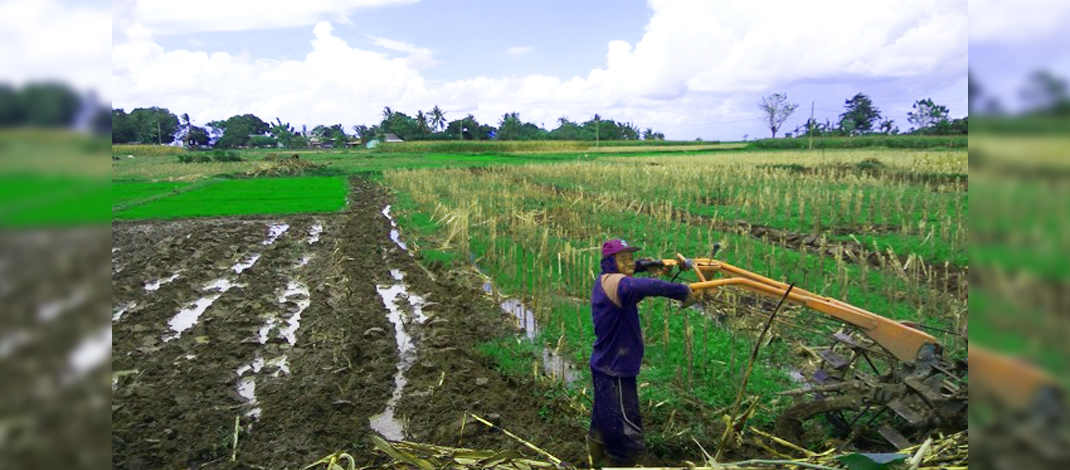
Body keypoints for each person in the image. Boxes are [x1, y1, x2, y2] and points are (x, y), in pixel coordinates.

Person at [587, 238, 696, 466]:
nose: (629, 263)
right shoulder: (618, 284)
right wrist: (682, 291)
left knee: (604, 417)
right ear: (609, 262)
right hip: (615, 368)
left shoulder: (609, 279)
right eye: (622, 259)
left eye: (630, 258)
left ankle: (595, 456)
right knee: (625, 425)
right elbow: (645, 286)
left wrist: (649, 264)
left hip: (605, 364)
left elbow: (636, 268)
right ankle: (628, 461)